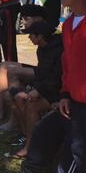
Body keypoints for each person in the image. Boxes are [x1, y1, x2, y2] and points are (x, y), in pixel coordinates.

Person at [43, 0, 86, 173]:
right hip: (75, 99)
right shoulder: (70, 23)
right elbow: (67, 63)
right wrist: (64, 93)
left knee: (80, 150)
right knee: (76, 147)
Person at [7, 20, 62, 159]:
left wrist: (39, 91)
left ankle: (30, 147)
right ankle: (27, 136)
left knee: (32, 105)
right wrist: (33, 87)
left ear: (40, 36)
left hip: (58, 93)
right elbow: (42, 74)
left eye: (31, 35)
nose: (29, 38)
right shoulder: (41, 49)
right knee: (18, 97)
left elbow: (57, 77)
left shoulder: (59, 50)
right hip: (46, 88)